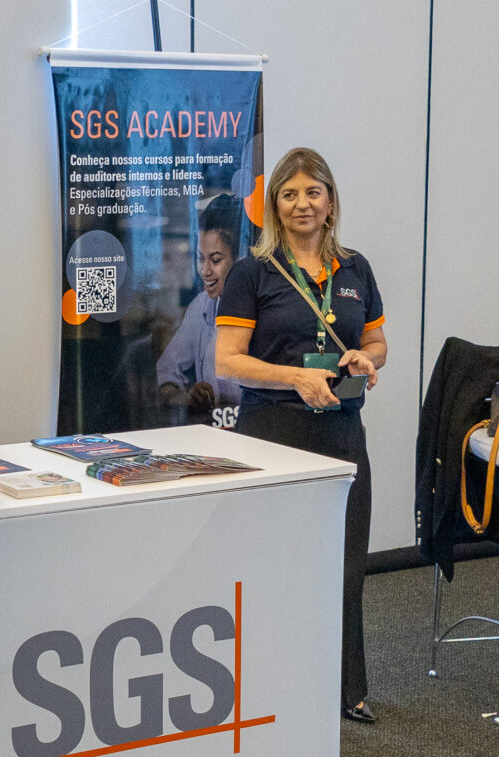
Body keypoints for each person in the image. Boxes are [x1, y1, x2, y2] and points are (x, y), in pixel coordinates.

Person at [214, 147, 389, 723]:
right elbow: (228, 361)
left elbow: (377, 342)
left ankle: (347, 688)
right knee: (277, 566)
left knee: (346, 564)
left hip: (342, 431)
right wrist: (294, 376)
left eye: (313, 192)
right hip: (273, 435)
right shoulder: (252, 273)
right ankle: (273, 689)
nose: (302, 204)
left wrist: (366, 358)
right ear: (274, 206)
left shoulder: (355, 269)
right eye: (289, 194)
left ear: (330, 202)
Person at [156, 191, 244, 424]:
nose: (205, 271)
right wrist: (186, 397)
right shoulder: (201, 306)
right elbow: (167, 370)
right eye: (200, 258)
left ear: (240, 259)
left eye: (215, 260)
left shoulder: (263, 308)